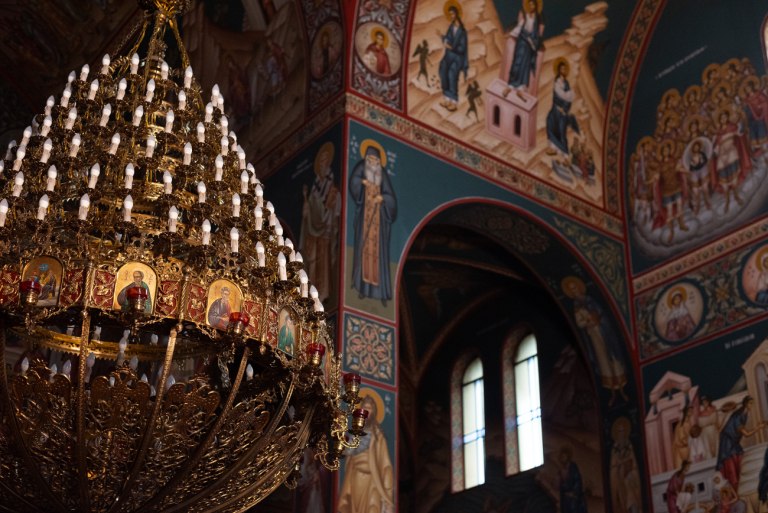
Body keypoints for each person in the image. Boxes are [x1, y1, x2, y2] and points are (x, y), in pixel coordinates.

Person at [561, 276, 627, 405]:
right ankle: (612, 393)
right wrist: (587, 321)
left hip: (604, 331)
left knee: (614, 358)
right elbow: (579, 323)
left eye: (575, 288)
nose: (574, 291)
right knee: (603, 361)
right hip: (594, 336)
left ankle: (623, 389)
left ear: (579, 287)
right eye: (571, 290)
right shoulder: (576, 306)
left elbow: (601, 312)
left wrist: (597, 318)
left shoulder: (590, 300)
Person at [349, 141, 397, 306]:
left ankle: (380, 293)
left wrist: (382, 198)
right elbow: (354, 182)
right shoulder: (361, 168)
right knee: (363, 252)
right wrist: (364, 185)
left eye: (376, 160)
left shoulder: (382, 174)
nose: (373, 163)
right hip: (365, 218)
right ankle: (362, 288)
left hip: (379, 222)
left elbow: (390, 197)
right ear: (366, 158)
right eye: (370, 159)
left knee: (379, 257)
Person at [337, 390, 394, 513]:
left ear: (374, 412)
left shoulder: (378, 436)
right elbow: (346, 452)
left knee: (373, 508)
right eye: (365, 408)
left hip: (373, 480)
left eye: (369, 408)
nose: (367, 412)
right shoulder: (355, 434)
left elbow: (386, 466)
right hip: (355, 477)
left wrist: (388, 495)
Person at [300, 142, 340, 305]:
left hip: (325, 232)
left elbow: (333, 208)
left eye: (326, 161)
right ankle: (310, 296)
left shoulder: (331, 189)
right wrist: (307, 208)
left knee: (323, 263)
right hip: (313, 232)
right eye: (321, 161)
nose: (323, 164)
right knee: (312, 262)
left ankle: (322, 294)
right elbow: (310, 210)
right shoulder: (315, 188)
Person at [716, 395, 766, 491]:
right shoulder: (738, 416)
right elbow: (746, 434)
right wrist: (758, 428)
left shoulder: (744, 413)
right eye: (750, 403)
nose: (752, 405)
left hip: (734, 442)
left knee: (740, 461)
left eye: (753, 403)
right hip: (728, 443)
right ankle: (735, 490)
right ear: (746, 404)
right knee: (732, 466)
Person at [504, 0, 544, 95]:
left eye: (533, 4)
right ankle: (511, 85)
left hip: (529, 46)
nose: (531, 6)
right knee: (517, 63)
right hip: (522, 42)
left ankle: (521, 88)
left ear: (536, 6)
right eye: (530, 4)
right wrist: (511, 34)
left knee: (525, 66)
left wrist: (534, 42)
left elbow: (536, 33)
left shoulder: (537, 19)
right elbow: (520, 27)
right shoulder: (526, 16)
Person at [437, 1, 468, 112]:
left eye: (452, 14)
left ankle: (454, 100)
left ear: (457, 14)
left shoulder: (462, 31)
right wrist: (442, 37)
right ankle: (447, 98)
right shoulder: (451, 27)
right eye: (449, 14)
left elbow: (462, 48)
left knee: (452, 74)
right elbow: (448, 38)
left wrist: (451, 47)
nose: (451, 16)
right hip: (449, 55)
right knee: (443, 70)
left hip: (458, 58)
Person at [546, 58, 580, 157]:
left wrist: (564, 109)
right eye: (561, 69)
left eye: (564, 69)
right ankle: (553, 147)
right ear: (559, 70)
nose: (563, 71)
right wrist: (557, 104)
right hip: (555, 109)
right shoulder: (556, 82)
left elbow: (568, 100)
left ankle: (564, 152)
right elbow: (555, 96)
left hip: (562, 112)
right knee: (550, 123)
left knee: (561, 131)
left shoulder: (566, 83)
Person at [609, 417, 642, 513]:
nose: (622, 434)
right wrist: (619, 468)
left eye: (623, 431)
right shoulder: (614, 450)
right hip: (619, 479)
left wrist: (630, 472)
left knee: (630, 484)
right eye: (620, 431)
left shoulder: (629, 447)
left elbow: (634, 465)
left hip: (630, 478)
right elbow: (613, 468)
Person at [558, 446, 587, 513]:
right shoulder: (561, 470)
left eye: (564, 456)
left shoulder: (573, 468)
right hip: (566, 502)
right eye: (561, 456)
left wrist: (574, 493)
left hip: (574, 501)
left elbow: (578, 482)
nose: (562, 458)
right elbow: (561, 486)